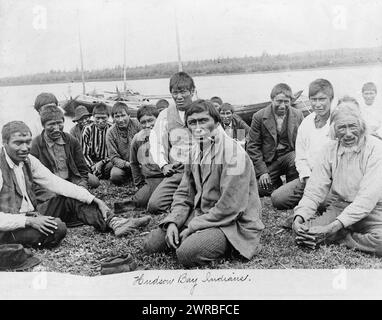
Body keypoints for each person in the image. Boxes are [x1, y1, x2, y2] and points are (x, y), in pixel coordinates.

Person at [144, 100, 264, 267]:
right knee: (151, 245)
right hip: (202, 215)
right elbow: (184, 193)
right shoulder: (195, 151)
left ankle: (228, 246)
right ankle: (199, 236)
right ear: (187, 127)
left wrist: (192, 227)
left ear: (216, 122)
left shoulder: (234, 153)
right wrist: (173, 221)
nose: (198, 127)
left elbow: (230, 207)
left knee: (186, 253)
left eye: (203, 120)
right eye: (192, 122)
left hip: (232, 223)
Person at [0, 121, 151, 249]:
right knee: (58, 228)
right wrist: (29, 221)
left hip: (33, 213)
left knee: (72, 197)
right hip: (9, 226)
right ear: (4, 143)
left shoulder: (29, 160)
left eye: (28, 142)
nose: (25, 148)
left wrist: (94, 199)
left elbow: (56, 183)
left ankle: (114, 222)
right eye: (18, 143)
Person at [293, 97, 382, 256]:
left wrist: (332, 228)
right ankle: (333, 231)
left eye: (352, 126)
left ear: (361, 126)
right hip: (341, 205)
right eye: (342, 128)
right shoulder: (328, 149)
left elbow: (367, 199)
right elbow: (314, 189)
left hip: (374, 209)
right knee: (303, 233)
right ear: (334, 130)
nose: (348, 134)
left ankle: (341, 237)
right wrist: (299, 217)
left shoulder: (376, 148)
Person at [271, 79, 333, 209]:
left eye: (322, 99)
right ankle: (310, 198)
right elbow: (300, 155)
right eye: (313, 99)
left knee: (325, 203)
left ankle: (314, 200)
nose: (317, 104)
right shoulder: (307, 122)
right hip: (309, 177)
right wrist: (306, 177)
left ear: (331, 99)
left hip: (330, 179)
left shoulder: (336, 122)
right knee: (277, 199)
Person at [148, 72, 195, 215]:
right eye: (175, 93)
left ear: (192, 91)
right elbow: (155, 142)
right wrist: (163, 164)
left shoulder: (203, 110)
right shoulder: (165, 114)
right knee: (154, 205)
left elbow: (220, 138)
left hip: (202, 169)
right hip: (179, 170)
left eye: (183, 92)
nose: (179, 97)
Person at [246, 83, 304, 196]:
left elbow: (304, 142)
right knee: (259, 190)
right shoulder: (259, 116)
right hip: (269, 162)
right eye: (279, 101)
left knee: (294, 157)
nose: (282, 106)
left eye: (286, 101)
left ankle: (291, 185)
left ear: (291, 101)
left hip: (290, 159)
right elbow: (253, 147)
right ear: (272, 100)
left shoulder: (298, 114)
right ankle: (276, 183)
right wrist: (262, 172)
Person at [30, 104, 100, 190]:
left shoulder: (72, 140)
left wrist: (82, 184)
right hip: (50, 182)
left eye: (59, 123)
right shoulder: (35, 145)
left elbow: (82, 168)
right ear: (43, 125)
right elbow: (33, 174)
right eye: (51, 124)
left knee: (94, 182)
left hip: (71, 177)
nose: (56, 128)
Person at [114, 105, 164, 212]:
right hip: (152, 178)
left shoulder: (166, 135)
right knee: (140, 200)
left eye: (151, 121)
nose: (147, 125)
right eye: (143, 122)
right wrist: (139, 183)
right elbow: (134, 163)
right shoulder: (137, 139)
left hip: (168, 176)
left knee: (157, 201)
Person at [106, 102, 140, 185]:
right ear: (113, 118)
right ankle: (129, 175)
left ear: (129, 115)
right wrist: (128, 165)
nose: (120, 120)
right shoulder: (110, 132)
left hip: (140, 162)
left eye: (123, 115)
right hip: (124, 164)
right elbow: (114, 157)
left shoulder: (137, 124)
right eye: (117, 116)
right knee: (115, 176)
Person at [82, 103, 113, 180]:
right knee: (83, 167)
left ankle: (101, 175)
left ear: (108, 117)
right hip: (91, 161)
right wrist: (93, 166)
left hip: (106, 161)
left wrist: (101, 163)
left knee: (111, 165)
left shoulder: (112, 129)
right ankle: (95, 173)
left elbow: (114, 153)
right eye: (97, 118)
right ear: (93, 117)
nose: (100, 121)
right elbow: (85, 153)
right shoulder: (88, 130)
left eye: (103, 118)